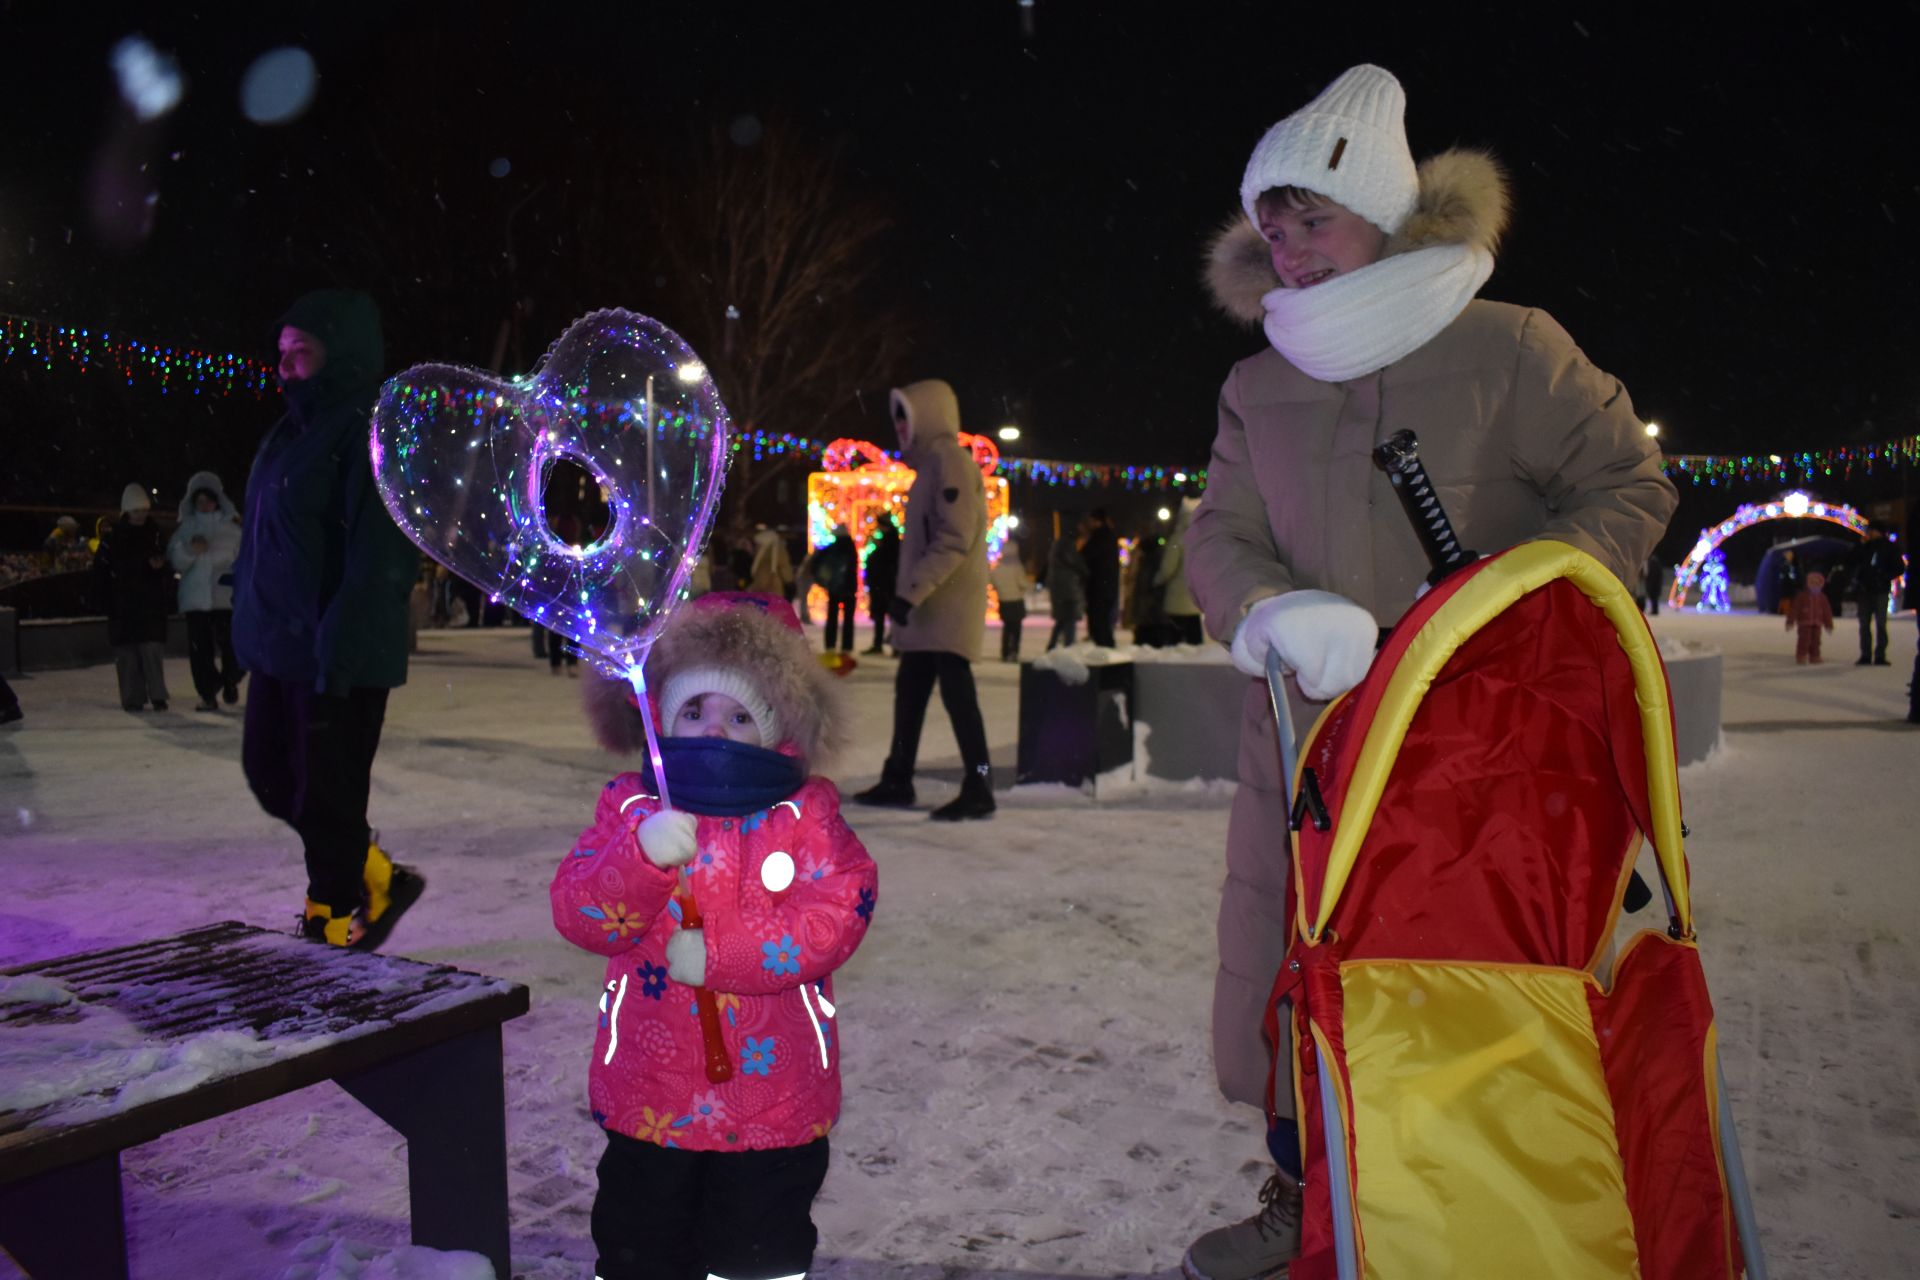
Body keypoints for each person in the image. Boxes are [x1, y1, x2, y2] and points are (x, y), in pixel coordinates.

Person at [1182, 65, 1677, 1280]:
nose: (1289, 247)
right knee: (1297, 962)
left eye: (1314, 215)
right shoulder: (1257, 381)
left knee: (1456, 969)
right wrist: (1266, 604)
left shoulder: (1511, 348)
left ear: (1388, 213)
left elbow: (1630, 486)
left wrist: (1503, 609)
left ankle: (1464, 1198)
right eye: (1273, 222)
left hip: (1477, 747)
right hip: (1306, 740)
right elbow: (1218, 533)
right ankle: (1308, 1195)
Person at [559, 591, 877, 1280]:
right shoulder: (631, 807)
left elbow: (838, 912)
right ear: (660, 715)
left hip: (774, 1098)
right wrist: (638, 859)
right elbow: (579, 911)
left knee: (758, 1253)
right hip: (651, 1093)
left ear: (779, 731)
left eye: (739, 716)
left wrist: (727, 954)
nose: (713, 731)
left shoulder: (804, 817)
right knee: (641, 1243)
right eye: (694, 709)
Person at [231, 289, 425, 950]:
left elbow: (378, 557)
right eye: (281, 353)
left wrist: (338, 650)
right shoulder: (289, 434)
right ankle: (376, 875)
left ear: (339, 354)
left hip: (337, 653)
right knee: (271, 775)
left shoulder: (370, 433)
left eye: (302, 352)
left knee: (327, 793)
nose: (285, 366)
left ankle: (332, 918)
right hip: (281, 647)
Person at [853, 380, 996, 820]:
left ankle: (979, 782)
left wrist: (911, 593)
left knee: (958, 697)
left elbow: (954, 538)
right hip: (929, 609)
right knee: (911, 694)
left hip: (944, 608)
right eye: (896, 416)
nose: (898, 426)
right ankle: (900, 776)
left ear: (928, 416)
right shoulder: (933, 465)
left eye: (906, 416)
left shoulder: (949, 462)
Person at [167, 471, 245, 711]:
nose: (204, 505)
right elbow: (175, 559)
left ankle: (230, 680)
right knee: (200, 653)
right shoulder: (185, 530)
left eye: (208, 500)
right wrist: (191, 550)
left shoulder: (232, 530)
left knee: (235, 647)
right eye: (199, 501)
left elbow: (245, 559)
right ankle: (207, 693)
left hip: (226, 599)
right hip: (195, 600)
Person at [94, 483, 173, 712]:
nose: (141, 515)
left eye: (144, 510)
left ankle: (155, 695)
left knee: (150, 650)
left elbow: (164, 564)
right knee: (129, 653)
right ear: (127, 511)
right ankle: (133, 697)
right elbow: (103, 571)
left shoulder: (154, 533)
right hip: (126, 603)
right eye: (137, 511)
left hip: (147, 603)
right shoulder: (115, 539)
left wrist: (159, 569)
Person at [1847, 522, 1904, 666]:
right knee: (1864, 624)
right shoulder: (1864, 546)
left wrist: (1884, 576)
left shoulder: (1889, 547)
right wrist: (1859, 546)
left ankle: (1880, 655)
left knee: (1881, 624)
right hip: (1865, 589)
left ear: (1878, 531)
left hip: (1880, 590)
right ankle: (1865, 654)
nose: (1868, 533)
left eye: (1871, 531)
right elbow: (1851, 560)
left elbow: (1899, 567)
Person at [1155, 496, 1206, 646]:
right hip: (1194, 600)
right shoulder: (1203, 539)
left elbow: (1167, 568)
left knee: (1175, 644)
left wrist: (1158, 580)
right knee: (1195, 644)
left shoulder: (1178, 539)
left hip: (1176, 600)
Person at [815, 524, 860, 653]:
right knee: (848, 620)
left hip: (834, 587)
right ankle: (847, 646)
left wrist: (823, 579)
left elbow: (816, 562)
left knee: (832, 617)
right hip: (849, 588)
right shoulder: (851, 549)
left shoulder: (831, 549)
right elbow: (852, 570)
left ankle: (830, 645)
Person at [988, 537, 1033, 662]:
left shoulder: (997, 569)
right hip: (1016, 601)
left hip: (1004, 602)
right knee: (1016, 629)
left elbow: (991, 581)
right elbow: (1023, 584)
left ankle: (1005, 652)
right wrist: (1032, 586)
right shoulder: (1017, 568)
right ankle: (1014, 651)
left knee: (1007, 628)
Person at [1045, 520, 1088, 650]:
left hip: (1060, 591)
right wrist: (1085, 572)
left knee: (1062, 619)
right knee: (1069, 619)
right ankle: (1069, 646)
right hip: (1068, 590)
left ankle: (1053, 646)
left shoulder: (1056, 553)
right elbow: (1078, 565)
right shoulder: (1068, 550)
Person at [1081, 508, 1120, 647]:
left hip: (1099, 587)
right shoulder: (1108, 536)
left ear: (1096, 521)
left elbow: (1085, 556)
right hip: (1106, 586)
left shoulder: (1099, 537)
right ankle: (1106, 649)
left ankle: (1105, 653)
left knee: (1099, 623)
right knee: (1102, 623)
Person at [862, 517, 901, 654]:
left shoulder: (889, 544)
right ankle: (887, 645)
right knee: (884, 616)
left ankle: (891, 645)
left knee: (885, 615)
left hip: (885, 585)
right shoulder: (889, 542)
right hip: (884, 585)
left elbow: (885, 564)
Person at [1787, 570, 1836, 664]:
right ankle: (1801, 655)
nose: (1815, 587)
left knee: (1816, 641)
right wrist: (1790, 621)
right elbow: (1795, 609)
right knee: (1804, 640)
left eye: (1818, 584)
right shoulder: (1802, 596)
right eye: (1813, 584)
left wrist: (1828, 624)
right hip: (1804, 623)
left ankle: (1815, 656)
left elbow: (1827, 612)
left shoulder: (1822, 598)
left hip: (1817, 623)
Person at [747, 524, 794, 599]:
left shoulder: (769, 555)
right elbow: (785, 569)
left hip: (770, 589)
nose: (756, 547)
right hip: (773, 590)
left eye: (757, 544)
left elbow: (762, 579)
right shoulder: (766, 554)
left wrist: (751, 590)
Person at [1641, 552, 1667, 616]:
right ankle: (1654, 610)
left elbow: (1650, 575)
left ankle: (1654, 610)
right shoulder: (1657, 565)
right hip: (1655, 585)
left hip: (1654, 585)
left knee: (1654, 598)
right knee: (1654, 598)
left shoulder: (1653, 565)